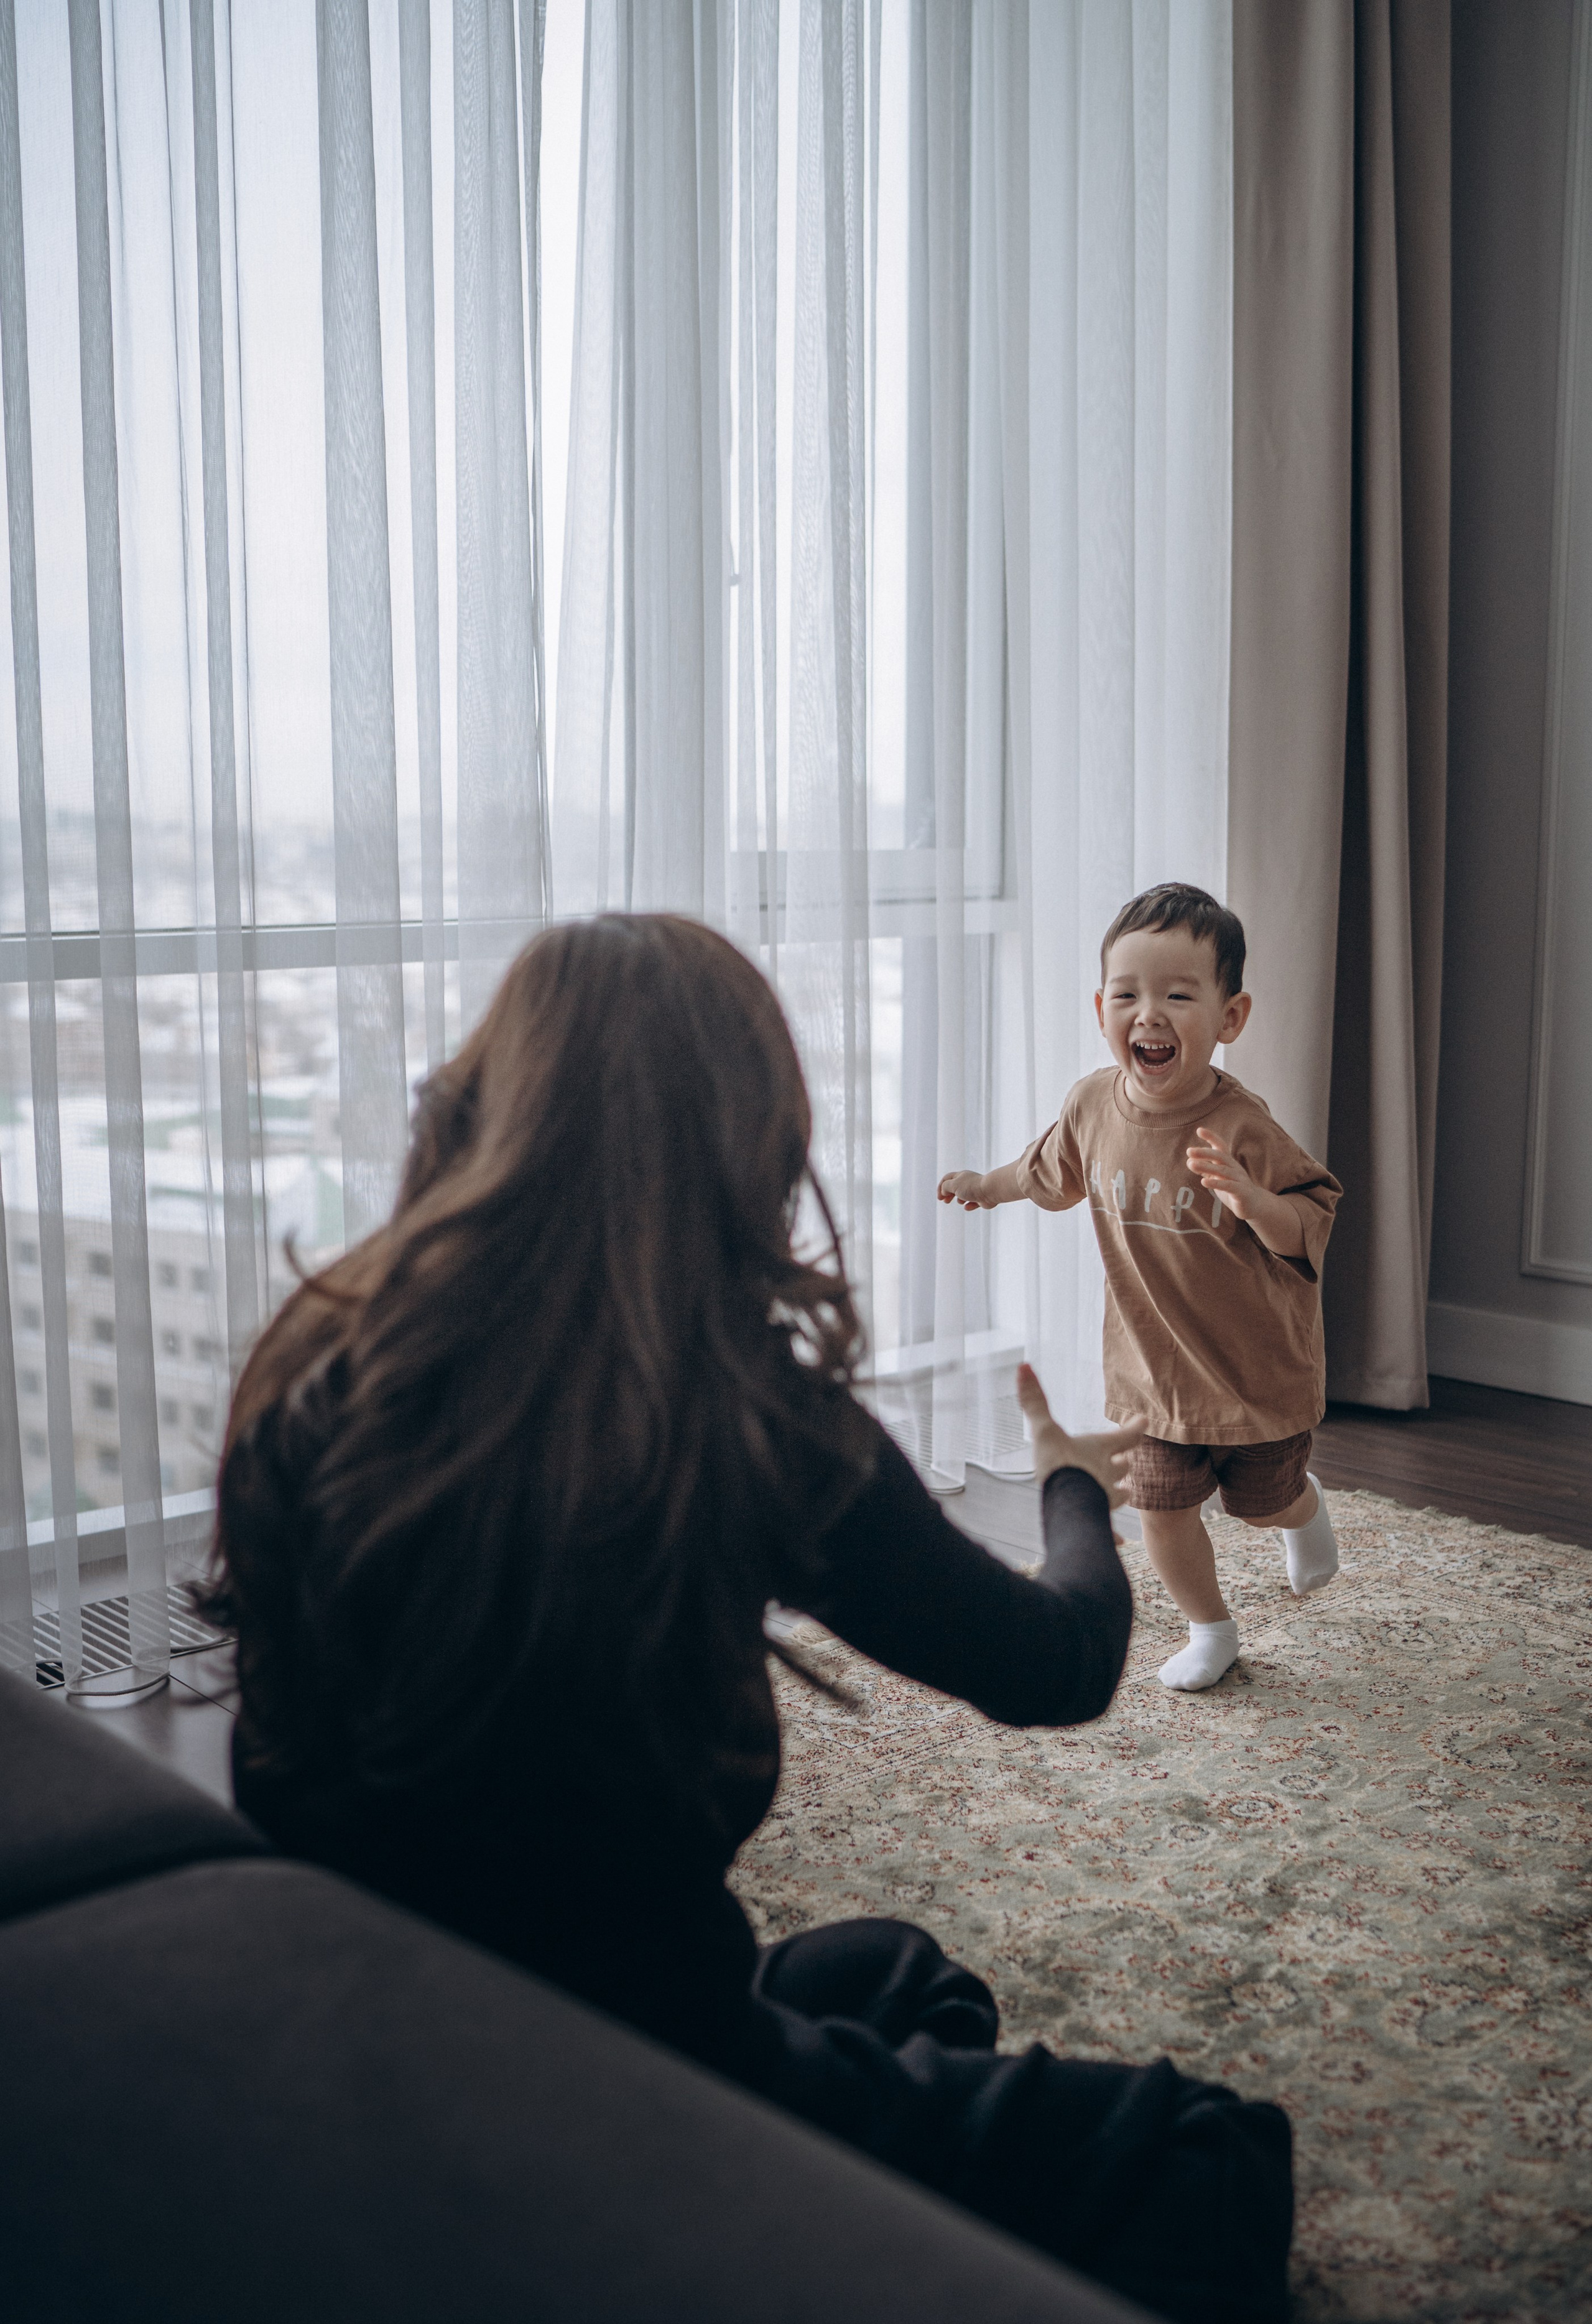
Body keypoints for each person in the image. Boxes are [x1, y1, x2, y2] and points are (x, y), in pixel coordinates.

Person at [201, 912, 1292, 2323]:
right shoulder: (741, 1414)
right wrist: (1070, 1494)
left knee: (901, 1973)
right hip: (610, 2046)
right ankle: (752, 2220)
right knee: (1211, 2155)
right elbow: (1059, 1667)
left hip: (376, 2008)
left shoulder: (322, 1348)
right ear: (744, 1138)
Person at [940, 882, 1343, 1694]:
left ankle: (1302, 1509)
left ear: (1230, 1019)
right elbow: (1048, 1171)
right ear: (1101, 1009)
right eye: (1128, 994)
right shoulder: (1092, 1105)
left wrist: (1253, 1200)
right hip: (1153, 1375)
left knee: (1258, 1505)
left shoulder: (1242, 1127)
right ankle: (1212, 1628)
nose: (1149, 1014)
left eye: (1178, 995)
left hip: (1252, 1373)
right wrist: (990, 1183)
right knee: (1161, 1509)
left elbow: (1312, 1220)